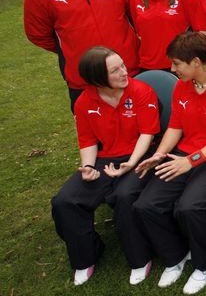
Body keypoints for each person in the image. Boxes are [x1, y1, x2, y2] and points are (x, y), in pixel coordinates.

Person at [133, 32, 206, 295]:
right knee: (146, 205)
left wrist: (190, 162)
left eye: (177, 63)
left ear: (195, 62)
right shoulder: (182, 86)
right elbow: (175, 127)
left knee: (189, 207)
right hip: (182, 154)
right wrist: (160, 154)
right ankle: (176, 256)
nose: (172, 69)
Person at [51, 46, 159, 286]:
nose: (124, 72)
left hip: (140, 156)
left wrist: (131, 164)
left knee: (124, 195)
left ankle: (140, 258)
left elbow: (148, 133)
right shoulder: (83, 102)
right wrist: (88, 166)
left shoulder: (141, 91)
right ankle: (86, 254)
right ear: (98, 79)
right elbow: (88, 140)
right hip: (104, 159)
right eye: (115, 70)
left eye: (122, 65)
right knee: (64, 202)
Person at [24, 0, 139, 110]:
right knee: (96, 137)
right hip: (84, 82)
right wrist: (74, 49)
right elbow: (38, 35)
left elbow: (138, 16)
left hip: (130, 73)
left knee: (145, 132)